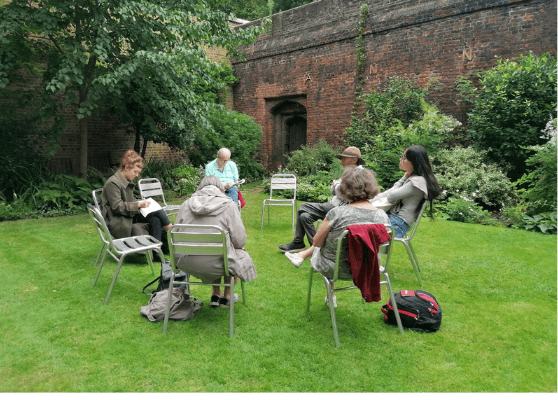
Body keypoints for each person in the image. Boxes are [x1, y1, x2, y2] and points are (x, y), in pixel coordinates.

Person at [284, 166, 390, 307]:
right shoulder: (381, 216)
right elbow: (385, 245)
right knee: (331, 251)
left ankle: (330, 294)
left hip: (336, 268)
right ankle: (303, 257)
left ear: (344, 188)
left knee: (324, 250)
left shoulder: (337, 213)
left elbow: (316, 242)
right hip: (370, 268)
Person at [173, 176, 257, 308]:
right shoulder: (229, 205)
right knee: (230, 252)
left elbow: (175, 234)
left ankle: (215, 293)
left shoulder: (185, 204)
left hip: (187, 262)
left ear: (200, 188)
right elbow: (240, 241)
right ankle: (227, 295)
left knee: (218, 251)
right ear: (220, 189)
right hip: (219, 263)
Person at [278, 146, 365, 253]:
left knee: (303, 206)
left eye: (344, 158)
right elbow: (334, 191)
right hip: (336, 204)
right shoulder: (350, 171)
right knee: (305, 216)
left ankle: (298, 243)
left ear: (355, 159)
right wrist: (336, 186)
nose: (341, 160)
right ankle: (316, 248)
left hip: (338, 208)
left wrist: (336, 184)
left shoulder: (357, 173)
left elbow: (345, 193)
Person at [101, 150, 172, 257]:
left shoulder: (123, 180)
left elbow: (128, 201)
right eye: (135, 172)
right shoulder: (113, 183)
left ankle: (157, 252)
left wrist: (140, 203)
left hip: (126, 215)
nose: (137, 175)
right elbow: (117, 206)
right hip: (118, 221)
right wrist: (138, 205)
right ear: (126, 167)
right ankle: (170, 229)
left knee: (155, 217)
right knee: (155, 215)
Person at [371, 145, 441, 238]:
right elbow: (388, 193)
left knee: (359, 228)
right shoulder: (415, 179)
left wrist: (403, 178)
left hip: (397, 224)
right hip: (394, 220)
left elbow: (391, 195)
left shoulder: (416, 182)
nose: (401, 159)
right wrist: (370, 200)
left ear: (413, 162)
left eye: (404, 158)